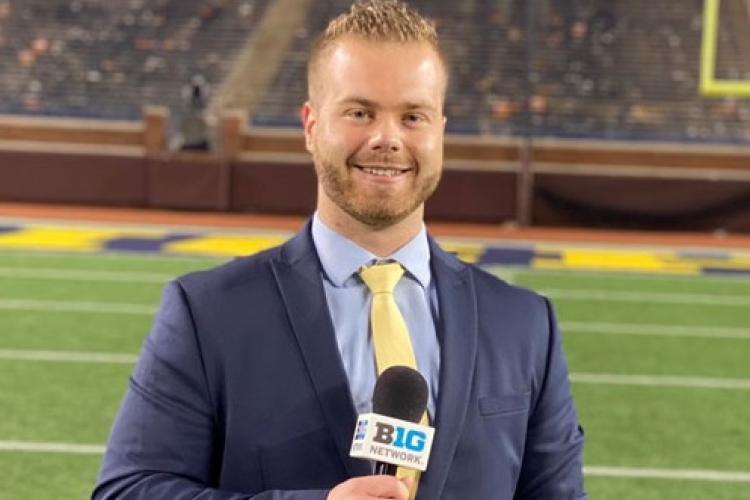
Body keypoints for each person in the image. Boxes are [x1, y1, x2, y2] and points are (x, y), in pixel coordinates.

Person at [92, 1, 587, 499]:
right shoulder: (207, 313)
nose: (387, 138)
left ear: (440, 130)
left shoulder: (525, 324)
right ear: (310, 125)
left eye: (413, 116)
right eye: (359, 112)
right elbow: (128, 491)